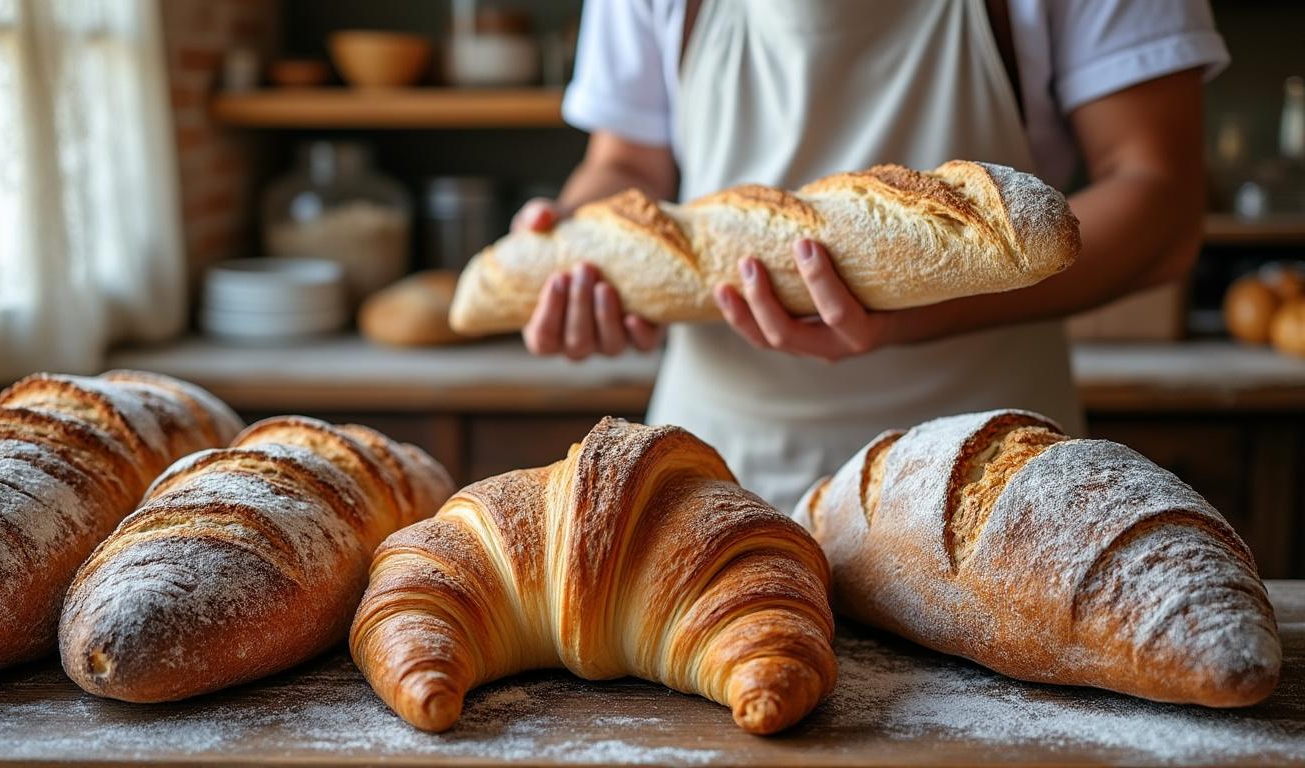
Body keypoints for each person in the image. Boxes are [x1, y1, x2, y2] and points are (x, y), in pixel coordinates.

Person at [515, 0, 1228, 511]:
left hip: (990, 487)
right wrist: (584, 238)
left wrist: (911, 313)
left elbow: (1160, 200)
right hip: (714, 475)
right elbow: (627, 162)